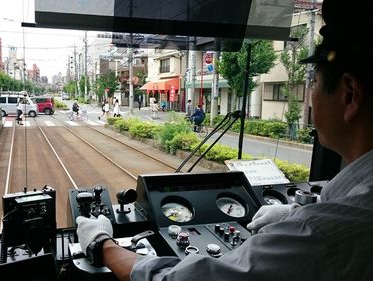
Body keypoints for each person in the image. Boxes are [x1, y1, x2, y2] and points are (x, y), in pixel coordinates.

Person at [75, 0, 373, 280]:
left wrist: (103, 244)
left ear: (349, 95)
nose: (311, 95)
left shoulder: (319, 233)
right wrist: (294, 211)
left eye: (315, 83)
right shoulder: (349, 200)